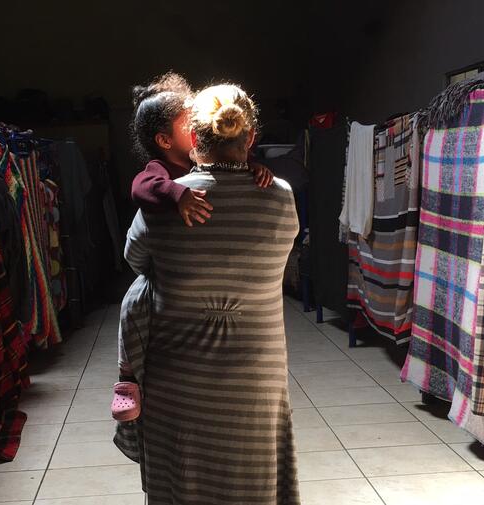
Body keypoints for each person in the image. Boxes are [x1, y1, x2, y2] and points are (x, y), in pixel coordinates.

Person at [116, 82, 301, 504]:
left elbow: (135, 261)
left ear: (194, 139)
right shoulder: (281, 198)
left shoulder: (163, 205)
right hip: (257, 375)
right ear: (250, 137)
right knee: (253, 476)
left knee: (183, 479)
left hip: (179, 380)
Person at [112, 73, 273, 422]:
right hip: (161, 273)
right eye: (189, 123)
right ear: (165, 140)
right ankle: (126, 379)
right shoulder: (160, 170)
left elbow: (233, 162)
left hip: (185, 279)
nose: (201, 125)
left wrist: (254, 168)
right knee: (134, 303)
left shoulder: (200, 164)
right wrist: (177, 193)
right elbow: (142, 186)